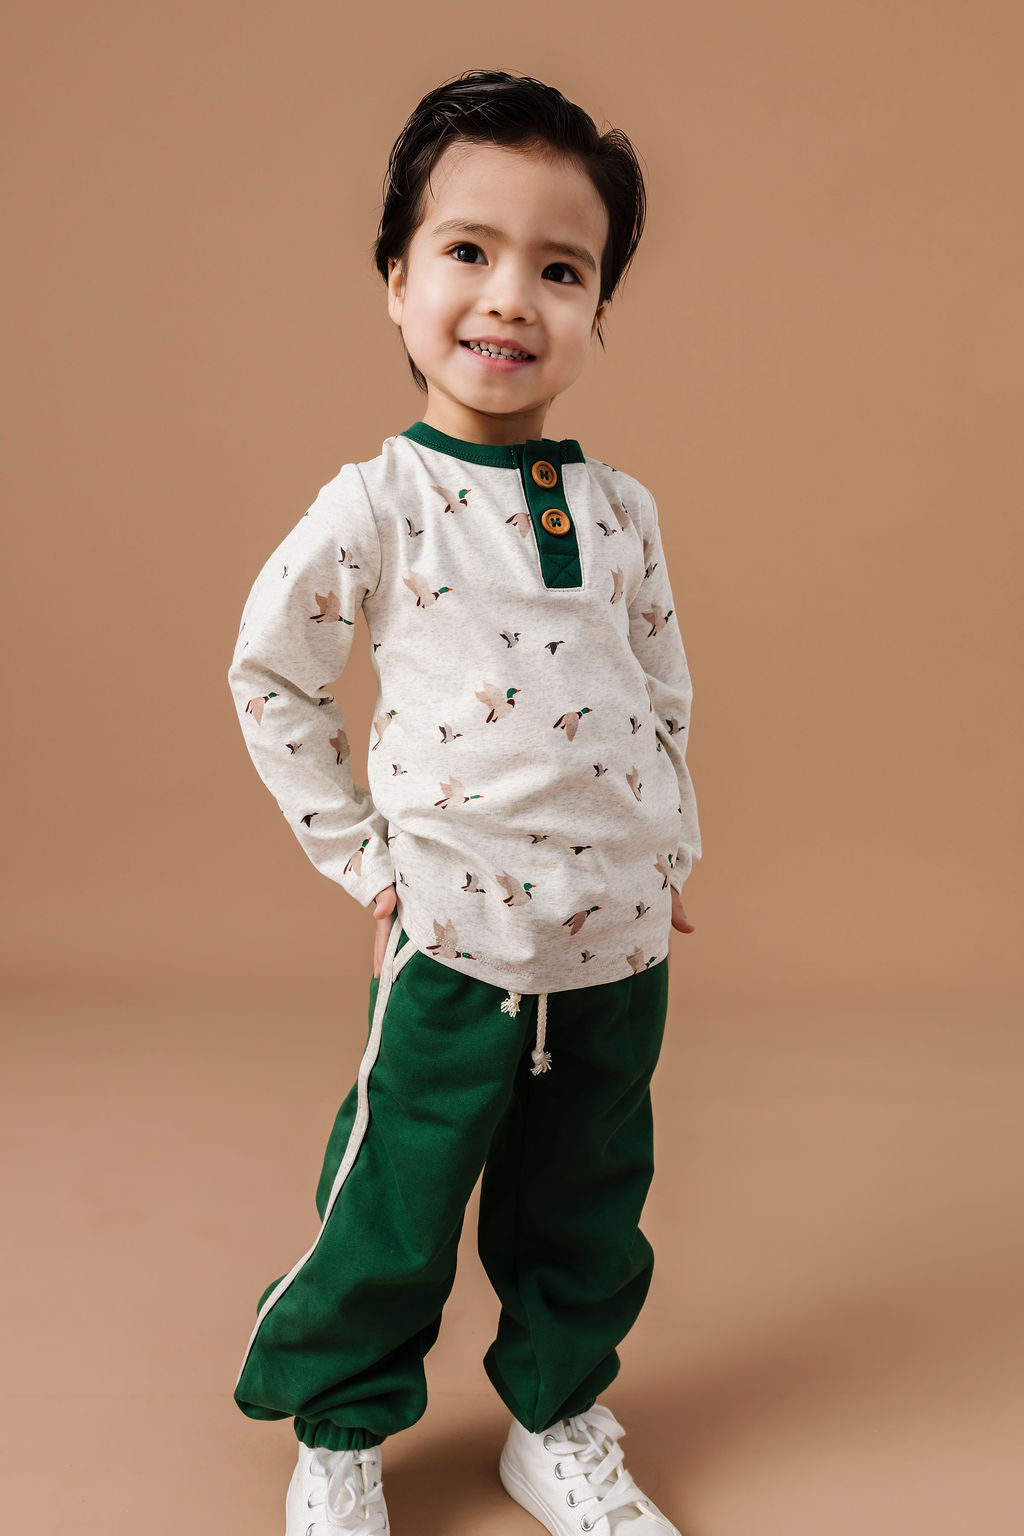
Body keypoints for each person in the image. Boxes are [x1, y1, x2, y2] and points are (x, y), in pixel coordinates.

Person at [227, 67, 703, 1536]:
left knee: (587, 1206)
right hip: (453, 943)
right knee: (398, 1199)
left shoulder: (621, 511)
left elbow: (660, 690)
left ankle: (554, 1418)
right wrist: (364, 860)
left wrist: (670, 849)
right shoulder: (377, 504)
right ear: (397, 279)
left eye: (561, 269)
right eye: (469, 251)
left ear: (599, 308)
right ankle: (341, 1428)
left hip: (617, 944)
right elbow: (273, 677)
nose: (511, 298)